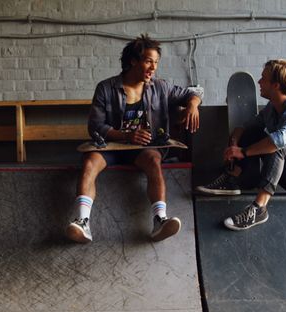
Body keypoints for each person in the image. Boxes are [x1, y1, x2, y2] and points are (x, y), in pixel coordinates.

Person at [65, 34, 203, 243]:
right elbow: (95, 126)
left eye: (156, 62)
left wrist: (192, 105)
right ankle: (83, 222)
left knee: (154, 160)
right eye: (148, 61)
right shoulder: (106, 88)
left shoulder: (160, 87)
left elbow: (194, 92)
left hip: (143, 150)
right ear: (133, 61)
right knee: (89, 161)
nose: (153, 67)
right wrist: (126, 135)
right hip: (110, 147)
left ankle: (159, 220)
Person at [195, 59, 286, 230]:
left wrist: (243, 152)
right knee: (254, 133)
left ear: (275, 85)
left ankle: (259, 208)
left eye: (263, 79)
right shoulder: (272, 109)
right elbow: (247, 126)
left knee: (278, 144)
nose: (259, 82)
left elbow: (280, 141)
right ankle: (233, 180)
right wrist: (236, 140)